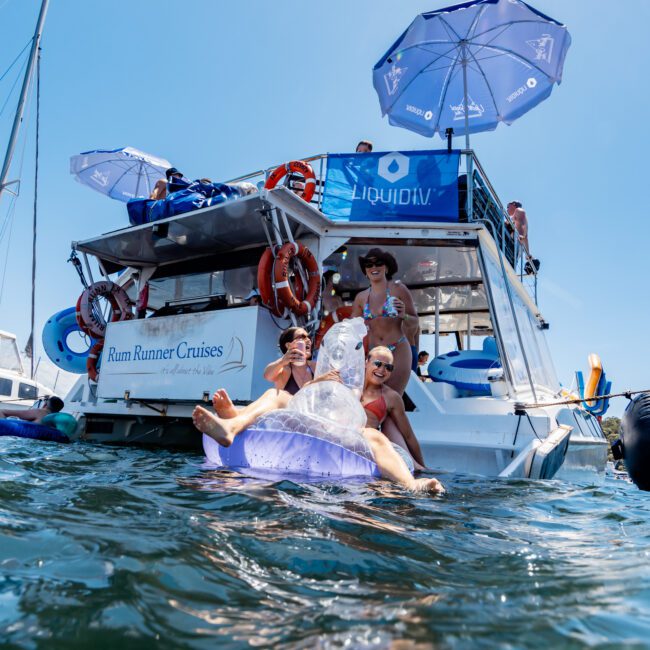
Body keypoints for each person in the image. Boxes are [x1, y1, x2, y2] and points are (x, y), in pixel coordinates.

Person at [351, 248, 417, 395]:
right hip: (374, 353)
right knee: (371, 399)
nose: (373, 267)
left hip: (398, 349)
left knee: (392, 398)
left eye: (378, 263)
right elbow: (351, 330)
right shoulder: (361, 298)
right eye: (369, 265)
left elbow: (414, 323)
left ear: (386, 267)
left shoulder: (399, 289)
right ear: (365, 270)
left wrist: (404, 315)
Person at [361, 346, 426, 471]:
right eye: (378, 363)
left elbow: (408, 435)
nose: (382, 369)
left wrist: (422, 465)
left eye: (388, 367)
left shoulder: (391, 397)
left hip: (371, 446)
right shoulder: (351, 385)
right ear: (366, 363)